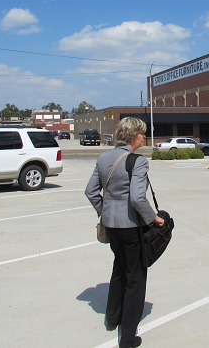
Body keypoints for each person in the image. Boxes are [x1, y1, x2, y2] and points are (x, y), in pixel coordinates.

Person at [85, 117, 164, 348]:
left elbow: (90, 191)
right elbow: (138, 198)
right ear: (133, 136)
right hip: (130, 228)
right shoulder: (137, 161)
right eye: (142, 134)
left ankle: (112, 318)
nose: (144, 138)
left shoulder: (104, 157)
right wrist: (154, 218)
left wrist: (106, 212)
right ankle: (128, 337)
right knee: (135, 279)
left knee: (119, 269)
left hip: (111, 226)